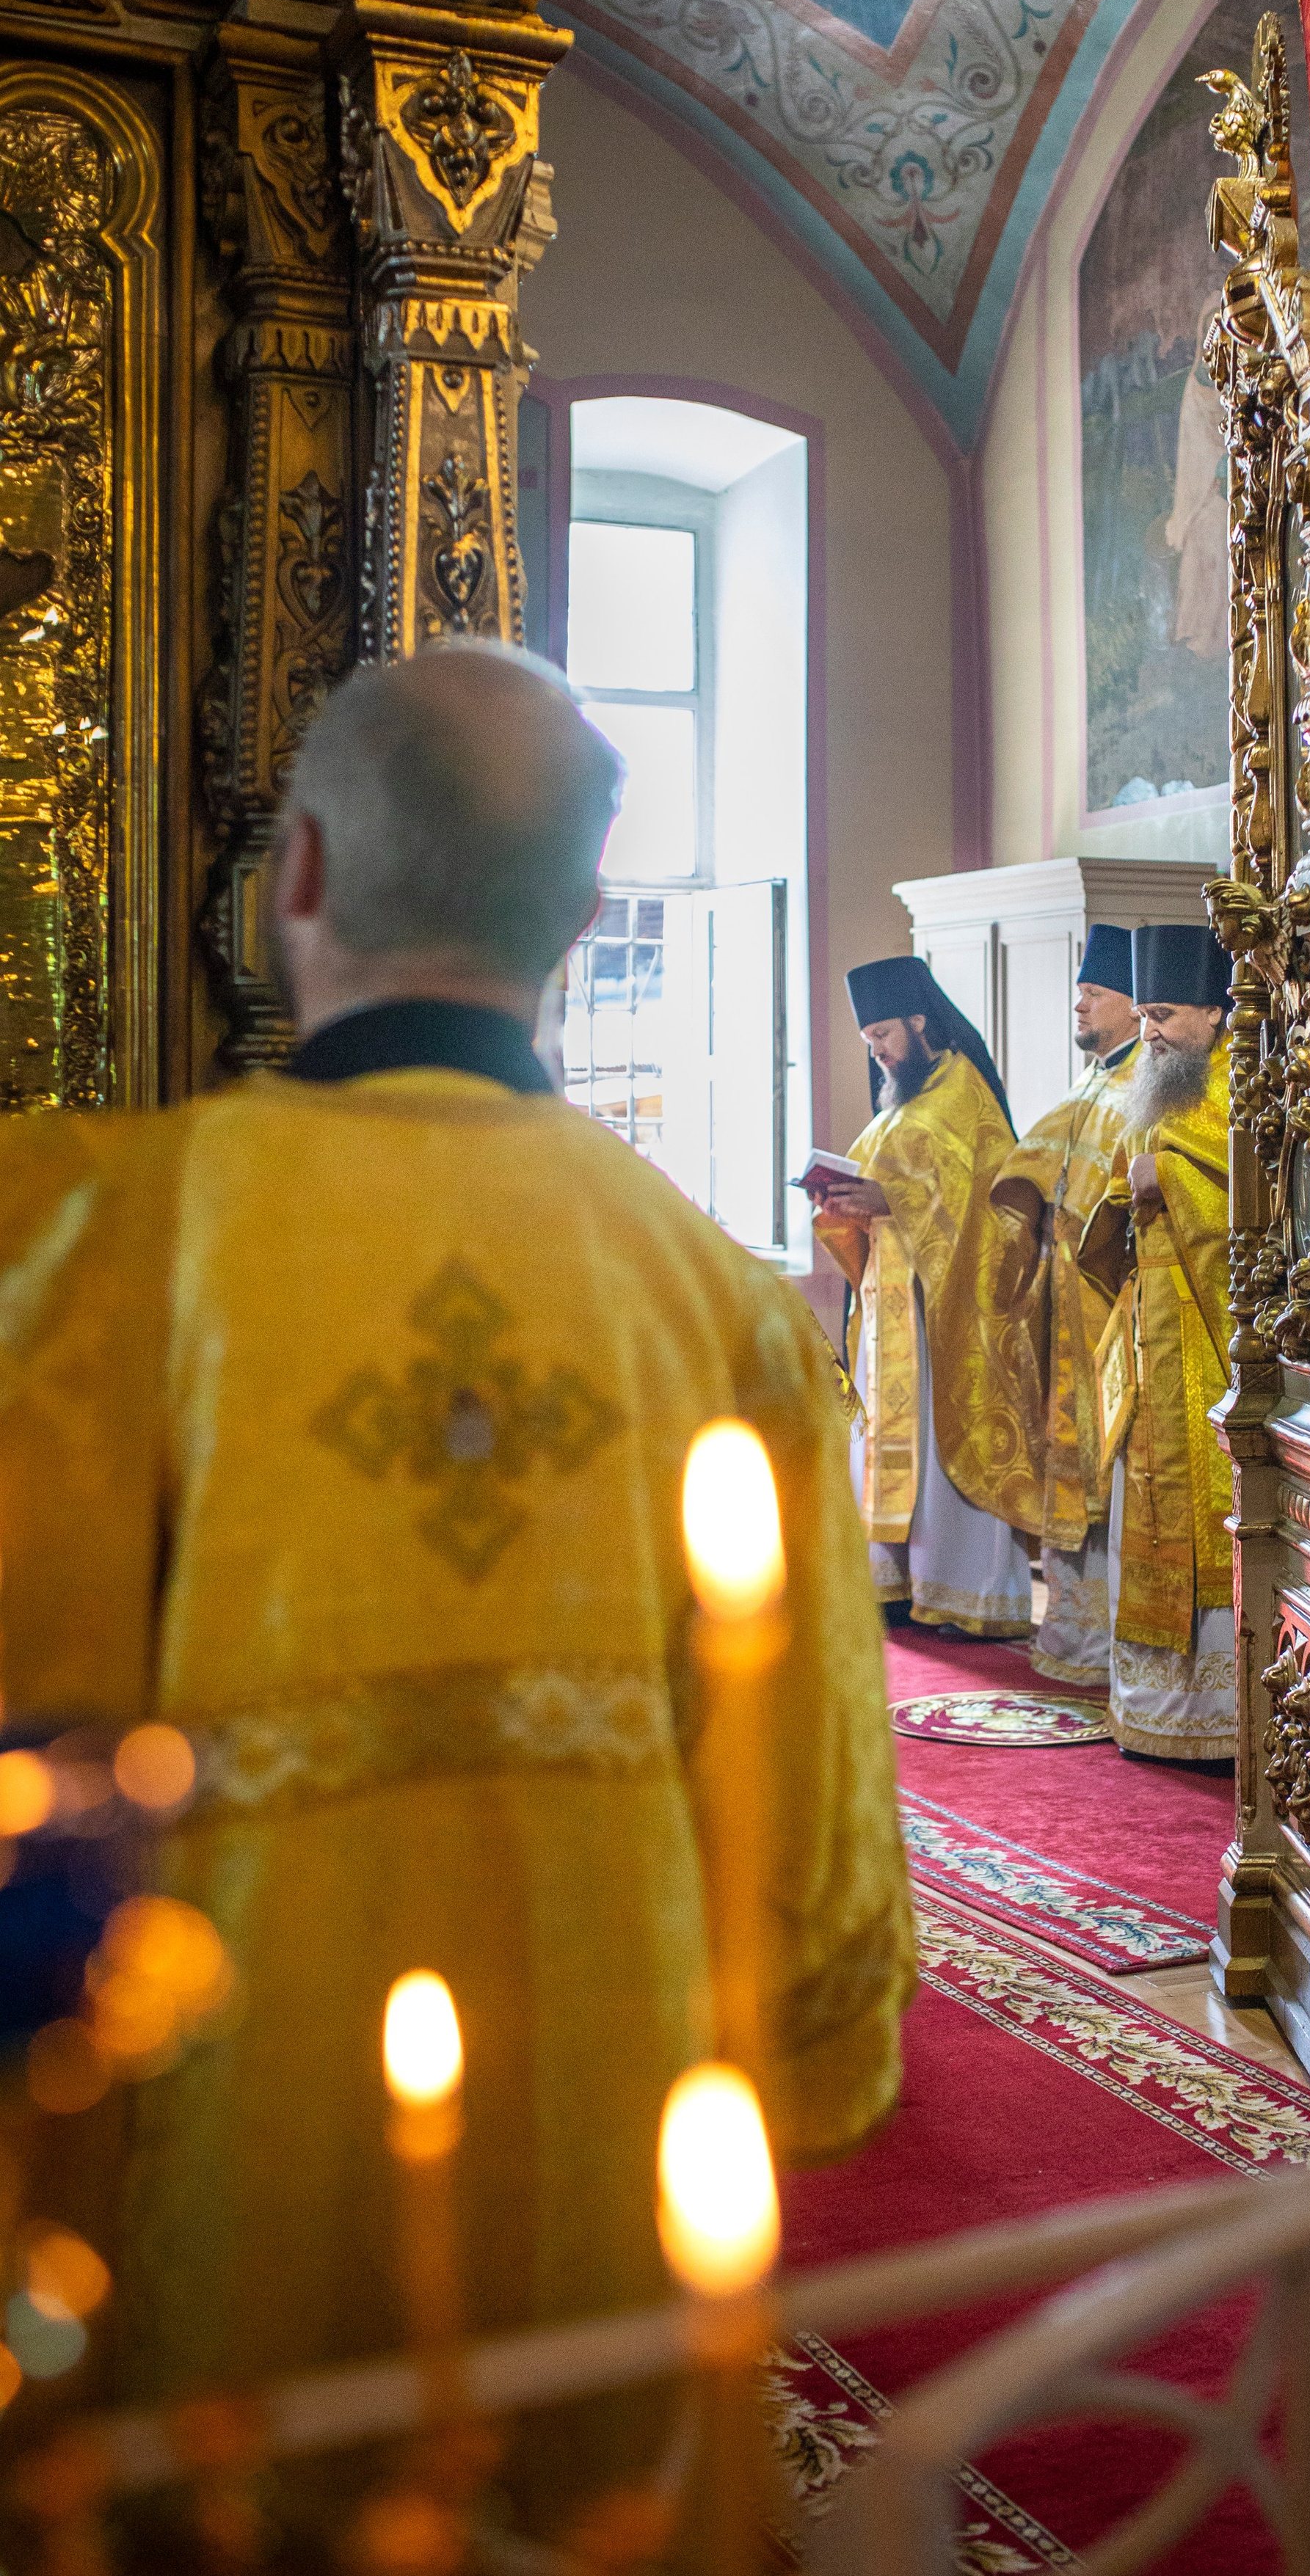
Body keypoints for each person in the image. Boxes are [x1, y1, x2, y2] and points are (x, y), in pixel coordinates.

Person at [0, 644, 913, 2524]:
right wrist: (808, 2063)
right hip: (612, 2148)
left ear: (298, 875)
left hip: (194, 2161)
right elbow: (816, 1851)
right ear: (582, 916)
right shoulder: (721, 1298)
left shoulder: (90, 1230)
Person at [815, 957, 1039, 1639]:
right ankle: (899, 1582)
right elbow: (884, 1187)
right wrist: (843, 1205)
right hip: (893, 1311)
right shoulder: (902, 1101)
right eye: (868, 1040)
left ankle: (967, 1594)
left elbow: (993, 1202)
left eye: (883, 1034)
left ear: (918, 1021)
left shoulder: (963, 1092)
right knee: (889, 1443)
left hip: (949, 1312)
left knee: (944, 1453)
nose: (876, 1050)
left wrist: (892, 1200)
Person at [1077, 924, 1234, 1760]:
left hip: (1207, 1350)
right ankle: (1147, 1709)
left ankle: (1210, 1720)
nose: (1150, 1034)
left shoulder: (1245, 1089)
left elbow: (1263, 1213)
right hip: (1147, 1340)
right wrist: (1125, 1194)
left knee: (1199, 1512)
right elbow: (1120, 1179)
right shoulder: (1156, 1090)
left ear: (1214, 1011)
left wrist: (1167, 1177)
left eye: (1165, 1015)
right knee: (1142, 1505)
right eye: (1143, 1016)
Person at [991, 926, 1141, 1686]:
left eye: (1094, 993)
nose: (1078, 1003)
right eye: (1078, 991)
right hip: (1068, 1313)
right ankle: (1076, 1634)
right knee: (1071, 1468)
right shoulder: (1095, 1083)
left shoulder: (1145, 1086)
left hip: (1113, 1316)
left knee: (1107, 1476)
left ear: (1135, 1003)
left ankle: (1109, 1639)